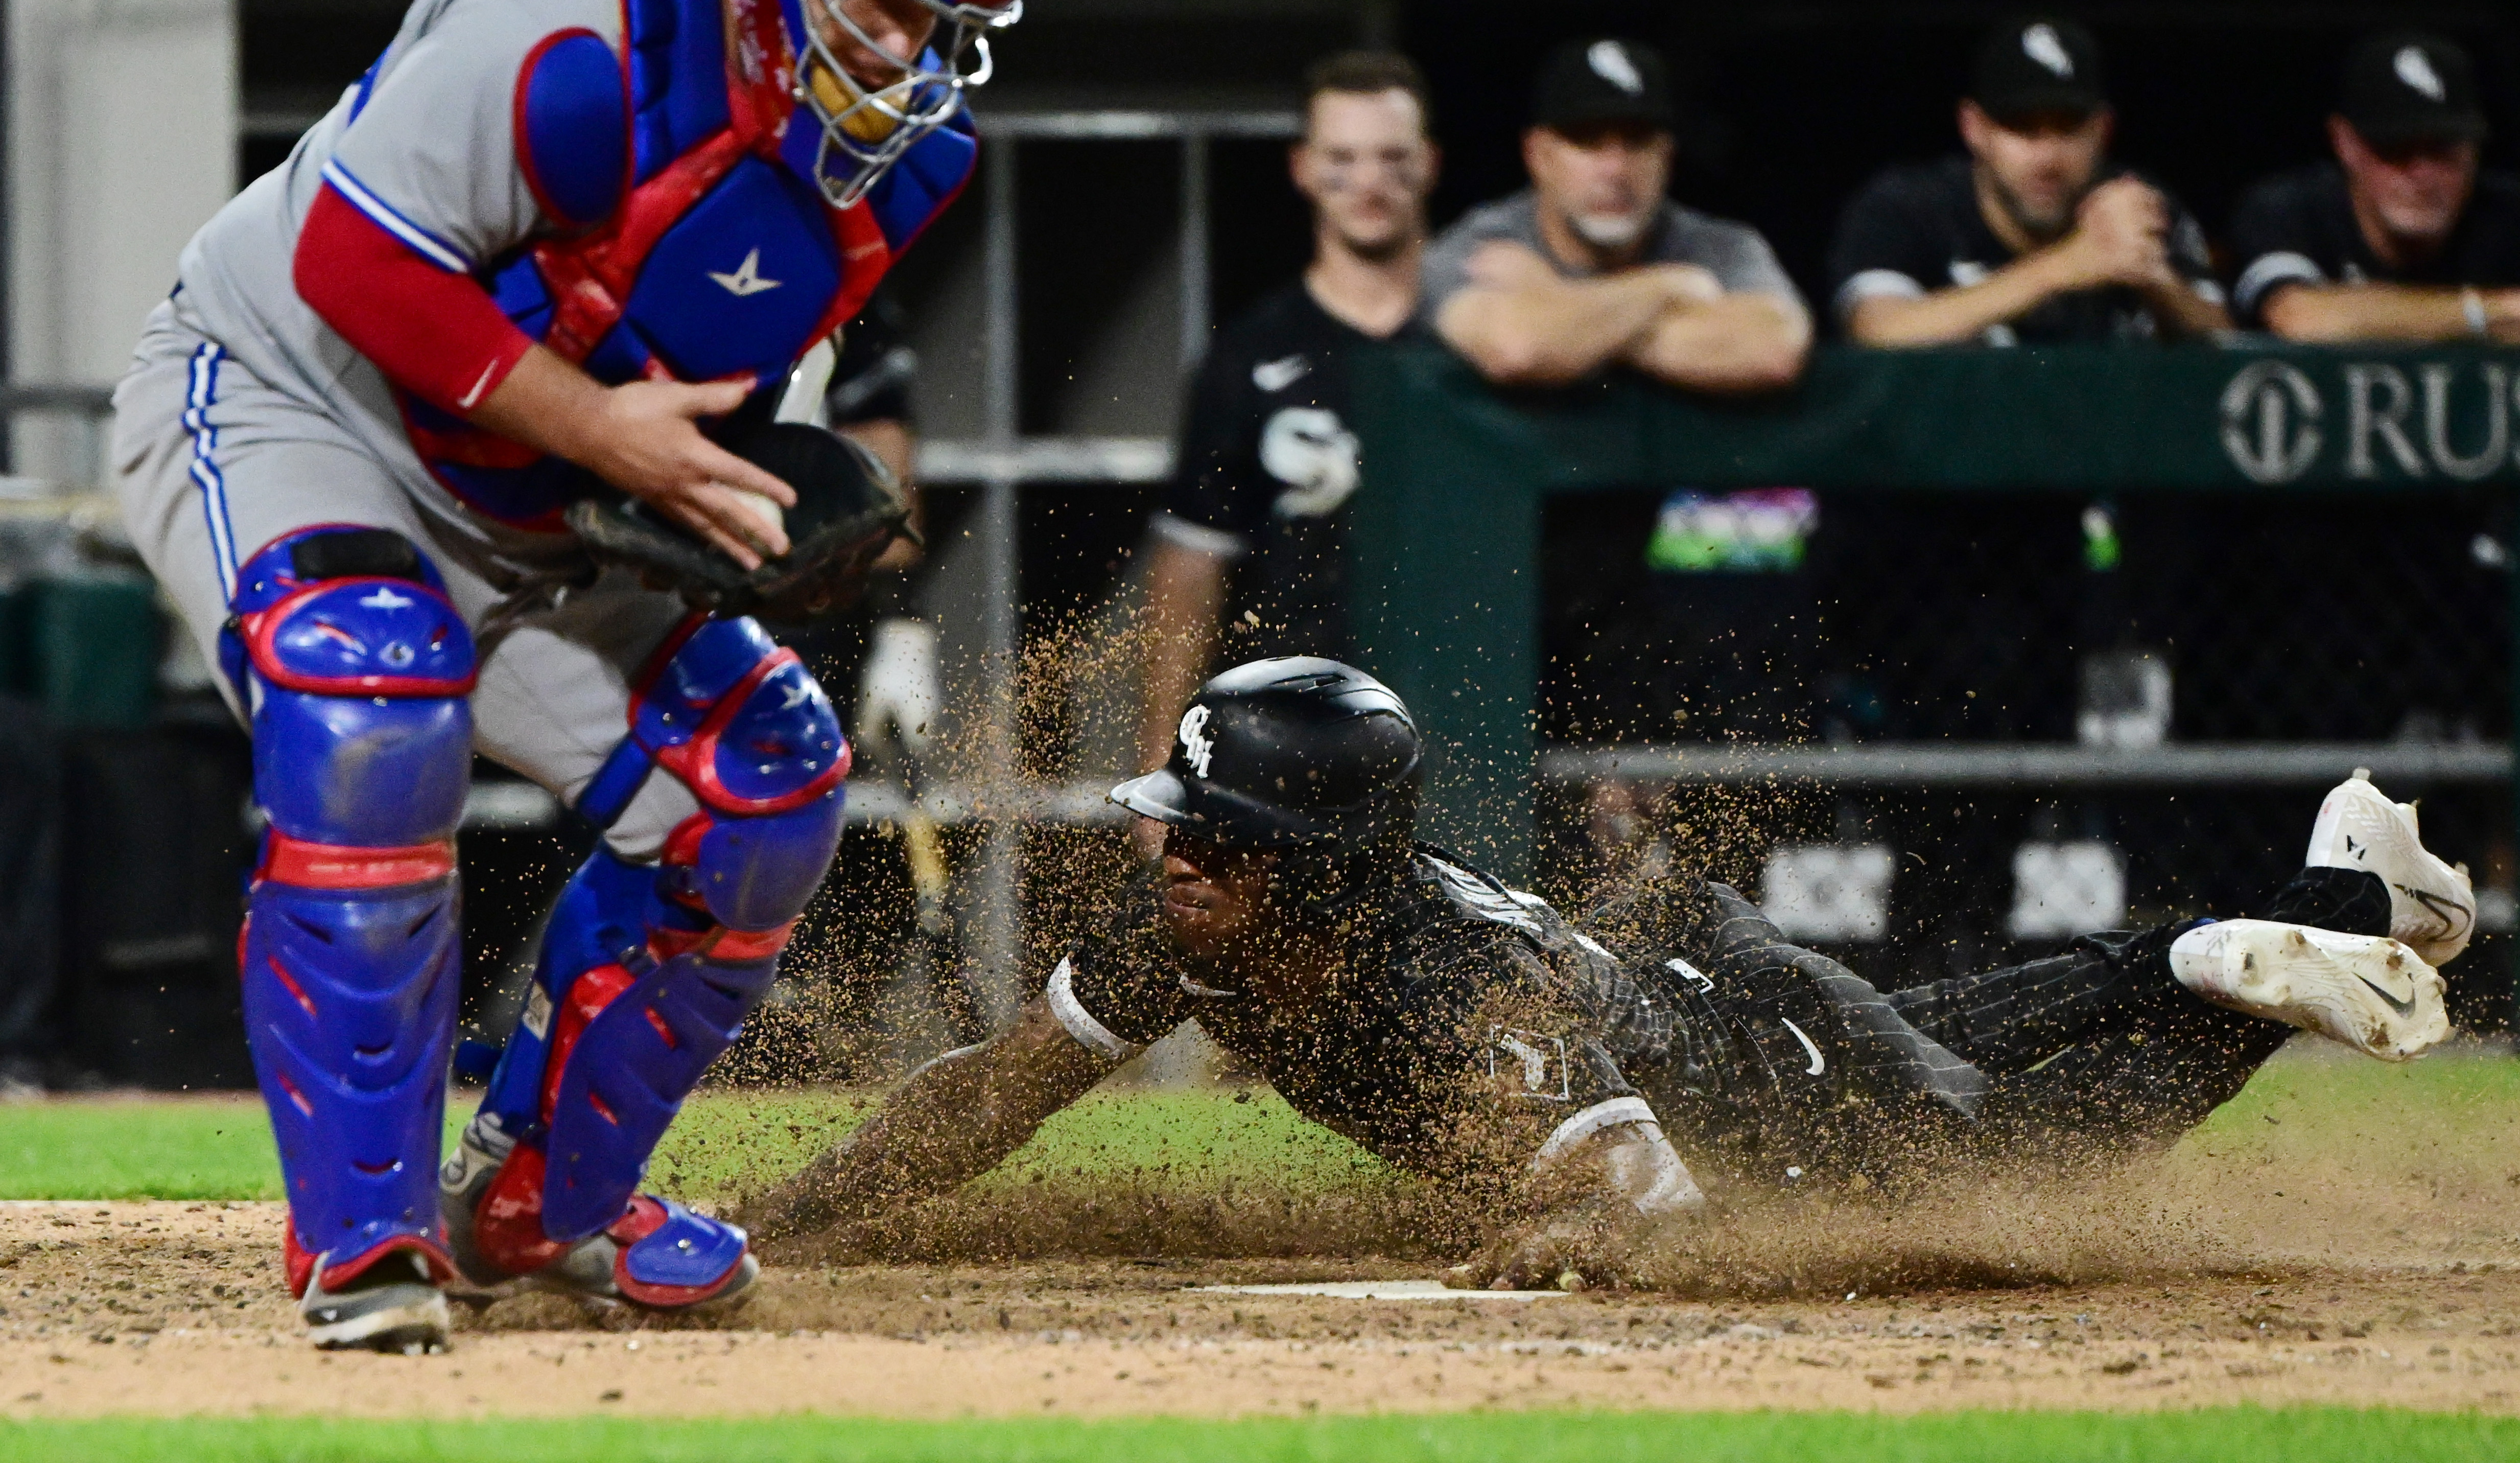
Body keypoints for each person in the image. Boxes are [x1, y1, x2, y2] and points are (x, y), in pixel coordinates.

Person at [107, 0, 1033, 1352]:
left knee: (767, 780)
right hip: (287, 397)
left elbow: (714, 370)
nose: (911, 58)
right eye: (886, 1)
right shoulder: (555, 30)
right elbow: (353, 263)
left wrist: (741, 524)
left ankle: (540, 1207)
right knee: (370, 695)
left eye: (950, 26)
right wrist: (609, 434)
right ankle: (364, 1242)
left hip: (537, 482)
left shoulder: (898, 167)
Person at [749, 659, 2468, 1288]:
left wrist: (1564, 1242)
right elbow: (986, 1089)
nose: (1171, 847)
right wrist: (794, 1212)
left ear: (1319, 853)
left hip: (1753, 1080)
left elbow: (1634, 1190)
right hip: (1735, 995)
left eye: (1218, 828)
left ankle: (2238, 968)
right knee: (1946, 1040)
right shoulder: (1189, 929)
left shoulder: (1447, 987)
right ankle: (2326, 885)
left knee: (2007, 1169)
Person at [1135, 52, 1438, 847]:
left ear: (1429, 166)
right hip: (1302, 739)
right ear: (1302, 169)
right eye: (1341, 159)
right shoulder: (1248, 356)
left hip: (1480, 720)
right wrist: (1167, 767)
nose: (1368, 182)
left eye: (1392, 158)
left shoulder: (1490, 344)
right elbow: (1188, 577)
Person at [1421, 37, 1810, 392]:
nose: (1615, 170)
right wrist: (1671, 287)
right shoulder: (1486, 242)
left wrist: (1557, 308)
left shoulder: (1722, 246)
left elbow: (1772, 350)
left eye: (1637, 143)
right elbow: (1517, 349)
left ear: (1667, 156)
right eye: (1588, 143)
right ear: (1538, 156)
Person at [1831, 16, 2226, 347]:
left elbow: (2232, 352)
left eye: (2068, 128)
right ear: (1973, 128)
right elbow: (1876, 331)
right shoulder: (1909, 206)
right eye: (2021, 129)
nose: (2047, 157)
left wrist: (2156, 279)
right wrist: (2064, 266)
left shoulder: (2137, 205)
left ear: (2104, 131)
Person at [2229, 30, 2520, 340]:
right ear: (2344, 143)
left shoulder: (2508, 216)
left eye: (2442, 150)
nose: (2422, 175)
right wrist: (2491, 312)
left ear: (2474, 149)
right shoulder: (2290, 211)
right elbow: (2302, 319)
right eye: (2395, 150)